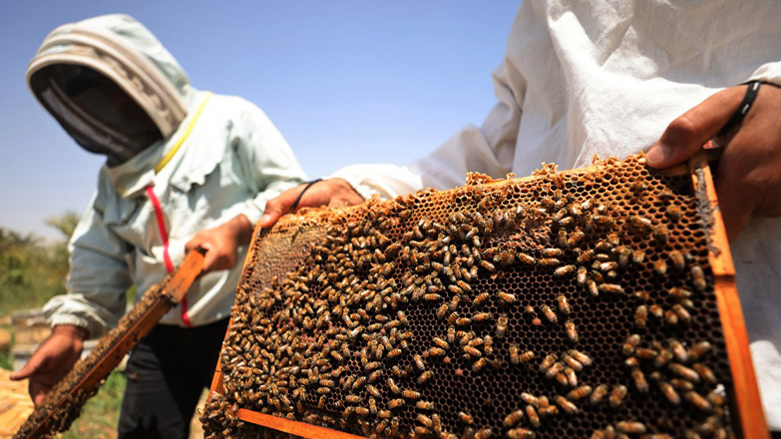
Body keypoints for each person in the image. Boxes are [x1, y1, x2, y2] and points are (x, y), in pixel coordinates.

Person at [259, 1, 781, 432]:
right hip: (544, 335)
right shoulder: (540, 12)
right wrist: (365, 187)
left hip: (737, 327)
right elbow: (505, 145)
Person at [9, 14, 307, 439]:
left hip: (241, 322)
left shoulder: (229, 119)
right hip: (157, 334)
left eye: (115, 89)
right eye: (98, 97)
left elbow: (294, 192)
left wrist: (238, 229)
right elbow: (98, 258)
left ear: (144, 76)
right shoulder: (114, 176)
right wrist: (70, 329)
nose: (112, 105)